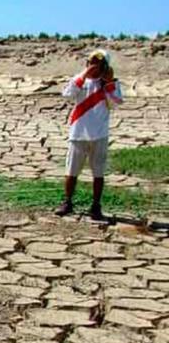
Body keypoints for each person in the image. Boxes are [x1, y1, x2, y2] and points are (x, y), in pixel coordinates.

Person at [55, 49, 123, 221]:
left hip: (99, 135)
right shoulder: (80, 80)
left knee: (98, 172)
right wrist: (84, 75)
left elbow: (115, 103)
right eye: (91, 62)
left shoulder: (110, 84)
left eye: (98, 64)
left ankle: (96, 206)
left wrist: (109, 83)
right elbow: (67, 94)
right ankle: (67, 202)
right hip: (78, 133)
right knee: (71, 171)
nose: (94, 66)